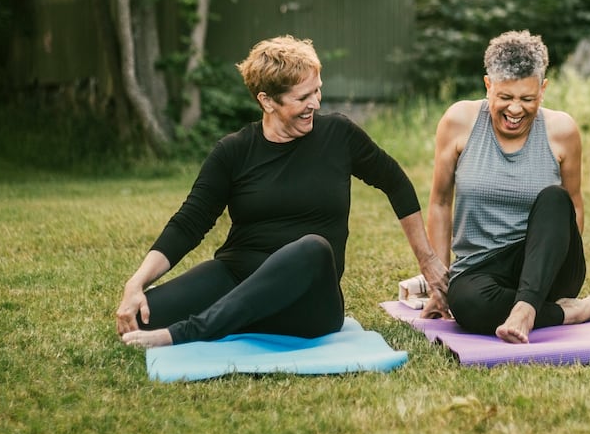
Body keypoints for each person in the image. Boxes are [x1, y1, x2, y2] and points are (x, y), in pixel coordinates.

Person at [116, 35, 448, 349]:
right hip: (239, 276)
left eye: (317, 91)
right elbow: (189, 223)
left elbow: (396, 183)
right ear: (267, 101)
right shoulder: (234, 151)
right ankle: (238, 316)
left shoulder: (338, 135)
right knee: (143, 318)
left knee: (312, 248)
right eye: (303, 98)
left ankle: (193, 331)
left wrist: (428, 260)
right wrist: (137, 283)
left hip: (309, 299)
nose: (315, 104)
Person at [422, 30, 590, 343]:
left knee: (556, 199)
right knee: (466, 305)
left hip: (545, 268)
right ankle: (574, 313)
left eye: (527, 99)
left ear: (543, 89)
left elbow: (573, 209)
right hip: (481, 269)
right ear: (488, 85)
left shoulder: (562, 130)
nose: (515, 110)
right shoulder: (458, 121)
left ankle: (528, 306)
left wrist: (549, 270)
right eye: (505, 97)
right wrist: (438, 284)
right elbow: (439, 203)